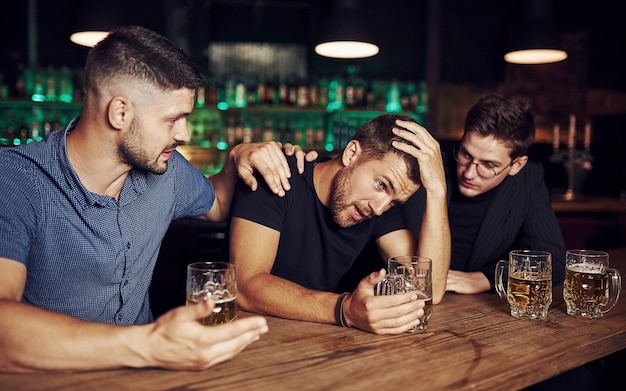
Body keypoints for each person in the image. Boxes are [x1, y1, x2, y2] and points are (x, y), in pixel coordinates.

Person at [0, 25, 317, 373]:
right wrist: (149, 345)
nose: (184, 134)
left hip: (149, 378)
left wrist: (238, 158)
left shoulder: (167, 170)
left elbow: (218, 205)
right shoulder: (15, 180)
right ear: (120, 112)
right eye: (173, 119)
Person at [228, 114, 451, 335]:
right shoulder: (278, 175)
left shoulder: (378, 209)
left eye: (394, 202)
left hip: (315, 343)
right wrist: (343, 309)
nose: (380, 207)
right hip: (245, 338)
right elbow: (244, 286)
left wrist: (437, 190)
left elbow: (431, 289)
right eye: (381, 184)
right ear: (351, 153)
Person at [403, 93, 566, 294]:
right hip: (412, 297)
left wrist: (486, 278)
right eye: (465, 155)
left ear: (516, 165)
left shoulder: (528, 180)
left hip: (481, 309)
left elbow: (556, 264)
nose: (469, 173)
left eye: (488, 165)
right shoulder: (431, 166)